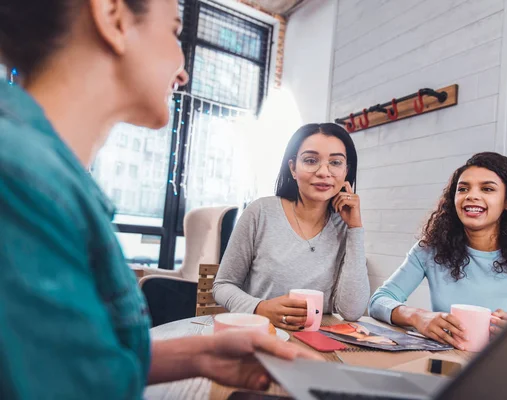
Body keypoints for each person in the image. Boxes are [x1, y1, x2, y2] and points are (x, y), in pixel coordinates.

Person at [0, 0, 319, 398]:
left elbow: (63, 357)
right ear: (113, 16)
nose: (183, 72)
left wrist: (201, 354)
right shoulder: (21, 184)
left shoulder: (42, 176)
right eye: (173, 31)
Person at [368, 152, 507, 350]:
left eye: (487, 189)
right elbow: (378, 301)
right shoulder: (430, 250)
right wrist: (418, 317)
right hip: (444, 365)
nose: (472, 196)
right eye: (463, 189)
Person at [213, 123, 370, 330]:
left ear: (346, 171)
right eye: (311, 160)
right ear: (293, 168)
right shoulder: (260, 212)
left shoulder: (345, 226)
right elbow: (222, 286)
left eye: (335, 162)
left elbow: (351, 311)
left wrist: (355, 229)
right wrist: (260, 308)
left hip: (316, 345)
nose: (324, 172)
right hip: (259, 336)